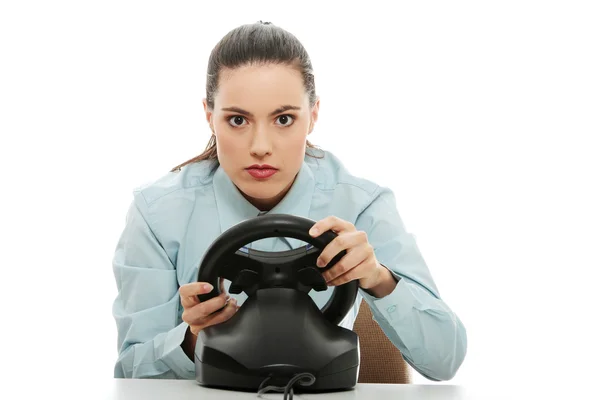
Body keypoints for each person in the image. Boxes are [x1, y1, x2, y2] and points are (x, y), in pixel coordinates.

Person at [111, 21, 467, 382]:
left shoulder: (362, 205)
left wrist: (378, 279)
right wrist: (191, 339)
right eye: (237, 120)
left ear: (313, 115)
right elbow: (129, 375)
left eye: (284, 119)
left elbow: (444, 359)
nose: (260, 146)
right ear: (209, 116)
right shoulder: (157, 213)